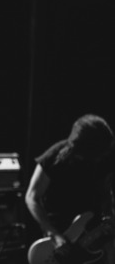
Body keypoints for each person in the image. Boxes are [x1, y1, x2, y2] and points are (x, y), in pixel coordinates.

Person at [25, 113, 115, 264]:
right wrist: (52, 233)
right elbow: (31, 197)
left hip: (93, 236)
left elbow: (107, 193)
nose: (101, 157)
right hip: (60, 239)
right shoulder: (54, 156)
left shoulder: (105, 155)